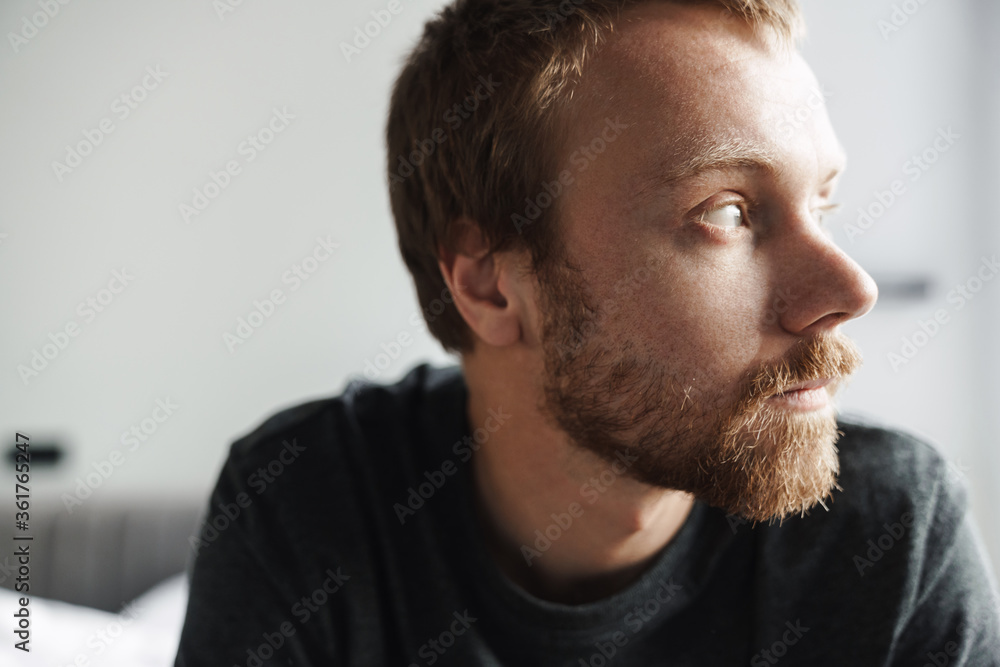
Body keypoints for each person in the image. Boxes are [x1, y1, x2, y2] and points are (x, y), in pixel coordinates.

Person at [175, 0, 1000, 664]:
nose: (852, 289)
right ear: (490, 283)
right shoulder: (304, 507)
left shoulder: (890, 535)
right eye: (725, 211)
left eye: (823, 204)